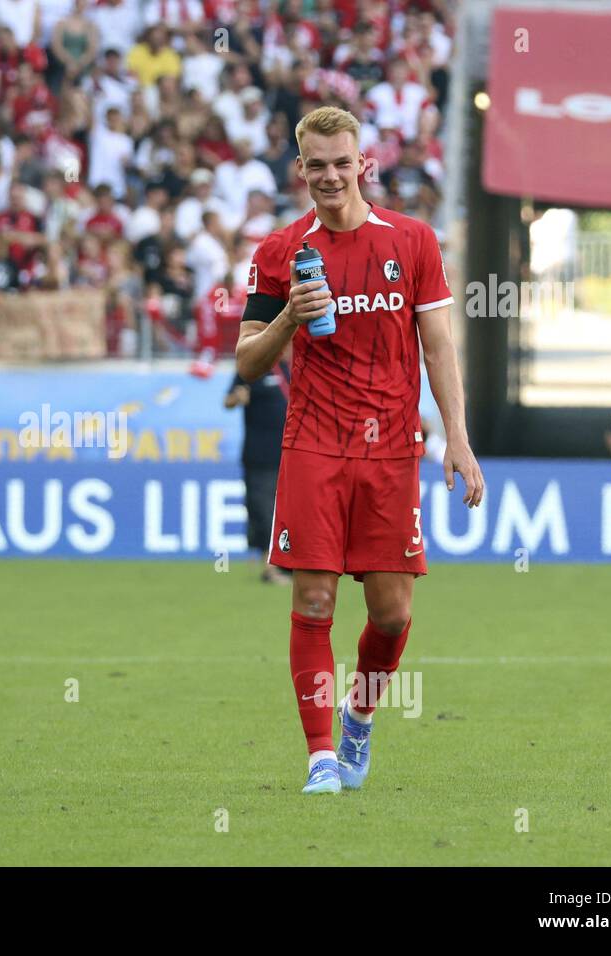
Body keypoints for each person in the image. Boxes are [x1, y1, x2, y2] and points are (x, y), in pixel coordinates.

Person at [235, 105, 484, 796]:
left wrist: (457, 438)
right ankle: (320, 758)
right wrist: (291, 313)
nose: (330, 176)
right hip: (313, 442)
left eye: (341, 163)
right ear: (301, 169)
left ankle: (358, 715)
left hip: (391, 451)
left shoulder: (412, 241)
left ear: (360, 165)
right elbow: (248, 363)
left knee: (392, 613)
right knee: (313, 600)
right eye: (316, 165)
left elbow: (438, 347)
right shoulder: (279, 253)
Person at [224, 360, 293, 585]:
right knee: (264, 510)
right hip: (260, 455)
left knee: (292, 511)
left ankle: (290, 563)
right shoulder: (251, 366)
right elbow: (228, 400)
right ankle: (269, 567)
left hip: (293, 455)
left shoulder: (291, 368)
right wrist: (238, 398)